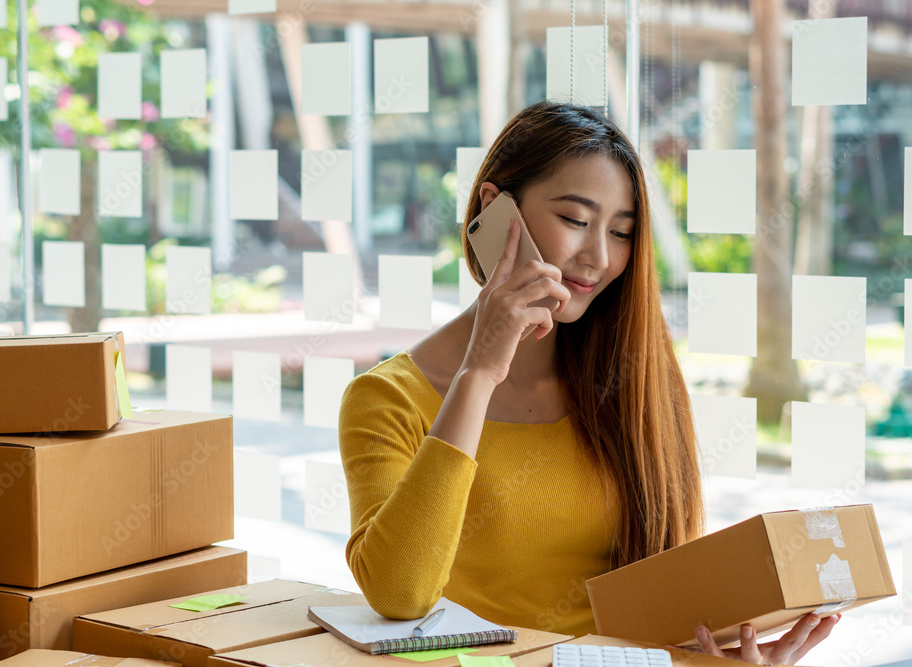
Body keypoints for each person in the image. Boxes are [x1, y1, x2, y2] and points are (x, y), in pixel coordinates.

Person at [337, 100, 838, 665]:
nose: (598, 257)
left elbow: (664, 602)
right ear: (496, 209)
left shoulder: (634, 380)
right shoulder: (387, 399)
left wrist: (720, 657)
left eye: (621, 232)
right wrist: (478, 374)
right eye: (575, 220)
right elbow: (400, 594)